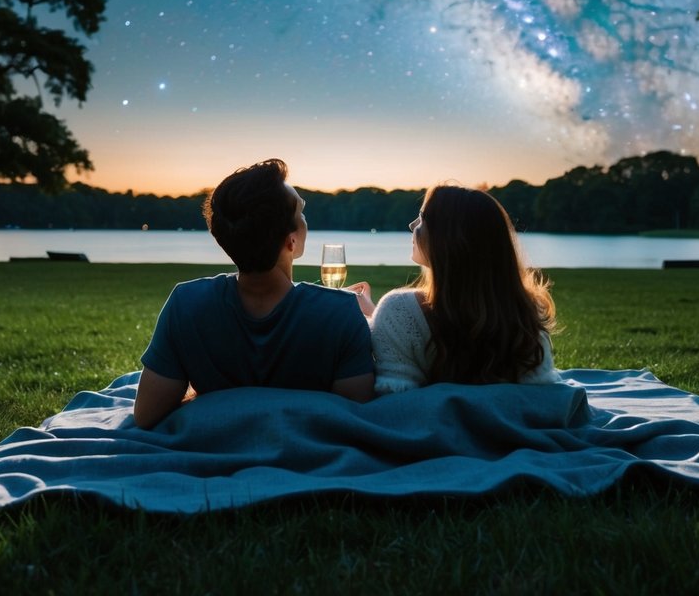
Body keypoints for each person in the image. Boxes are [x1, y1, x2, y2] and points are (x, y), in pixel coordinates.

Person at [133, 159, 375, 428]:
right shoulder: (341, 312)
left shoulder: (186, 304)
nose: (306, 219)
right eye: (301, 213)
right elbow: (358, 417)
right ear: (291, 241)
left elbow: (147, 415)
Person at [350, 185, 558, 394]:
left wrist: (376, 318)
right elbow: (539, 392)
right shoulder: (522, 310)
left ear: (447, 239)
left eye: (422, 219)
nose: (412, 225)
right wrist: (375, 315)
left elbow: (395, 398)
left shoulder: (397, 308)